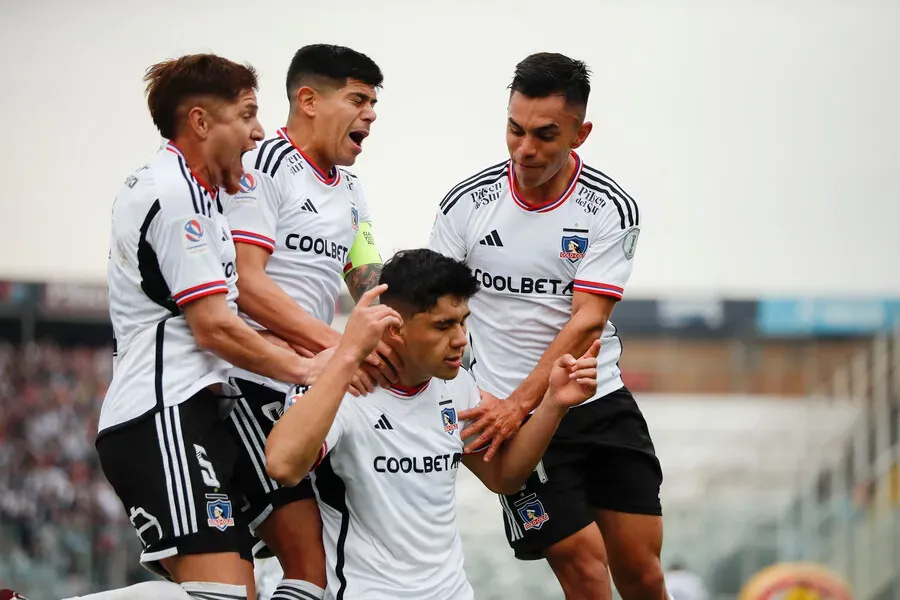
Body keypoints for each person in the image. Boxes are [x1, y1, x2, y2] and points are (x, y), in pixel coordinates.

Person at [79, 54, 334, 600]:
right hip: (162, 415)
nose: (258, 132)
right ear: (200, 122)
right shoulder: (175, 199)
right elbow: (215, 328)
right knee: (230, 596)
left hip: (216, 405)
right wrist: (315, 367)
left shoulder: (204, 193)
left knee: (313, 563)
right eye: (246, 115)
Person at [427, 52, 668, 600]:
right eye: (514, 130)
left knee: (642, 573)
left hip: (598, 402)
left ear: (580, 134)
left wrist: (524, 398)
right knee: (583, 568)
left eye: (544, 134)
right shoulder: (467, 204)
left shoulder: (609, 208)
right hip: (507, 418)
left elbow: (588, 318)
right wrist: (495, 401)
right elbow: (431, 305)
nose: (524, 149)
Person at [263, 249, 602, 600]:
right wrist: (347, 355)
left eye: (463, 321)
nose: (460, 339)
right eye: (443, 325)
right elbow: (282, 465)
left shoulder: (457, 385)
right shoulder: (344, 386)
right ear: (393, 328)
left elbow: (503, 476)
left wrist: (554, 403)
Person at [220, 44, 399, 600]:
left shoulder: (351, 191)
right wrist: (344, 349)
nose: (370, 114)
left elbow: (366, 280)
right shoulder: (265, 165)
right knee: (306, 560)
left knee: (332, 548)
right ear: (308, 100)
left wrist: (406, 336)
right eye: (358, 99)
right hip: (246, 385)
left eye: (374, 103)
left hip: (309, 386)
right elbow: (247, 285)